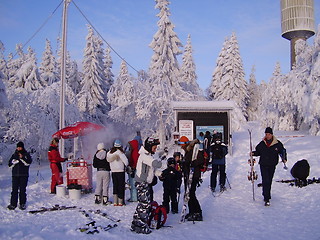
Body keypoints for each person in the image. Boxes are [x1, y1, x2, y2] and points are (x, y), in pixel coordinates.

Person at [131, 137, 162, 234]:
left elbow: (152, 169)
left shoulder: (148, 155)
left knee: (142, 204)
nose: (156, 148)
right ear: (149, 146)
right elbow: (156, 164)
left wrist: (161, 174)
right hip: (142, 183)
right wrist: (163, 158)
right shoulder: (144, 156)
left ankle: (136, 224)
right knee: (145, 205)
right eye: (154, 147)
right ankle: (141, 226)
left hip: (145, 183)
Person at [251, 127, 287, 206]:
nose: (267, 136)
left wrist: (284, 158)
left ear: (272, 134)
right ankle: (266, 197)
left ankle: (267, 194)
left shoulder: (277, 143)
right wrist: (253, 153)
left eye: (269, 134)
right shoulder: (262, 143)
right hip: (263, 164)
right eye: (266, 134)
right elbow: (258, 152)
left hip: (272, 164)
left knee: (269, 180)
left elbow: (282, 151)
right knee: (265, 180)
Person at [178, 136, 205, 221]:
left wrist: (193, 163)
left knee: (191, 194)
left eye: (182, 144)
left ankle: (197, 212)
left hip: (194, 175)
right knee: (188, 194)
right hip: (188, 175)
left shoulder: (193, 150)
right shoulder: (187, 151)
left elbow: (200, 160)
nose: (181, 146)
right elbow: (187, 162)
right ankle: (192, 211)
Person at [7, 141, 32, 210]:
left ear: (22, 147)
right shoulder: (14, 155)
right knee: (14, 190)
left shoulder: (26, 154)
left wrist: (22, 158)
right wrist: (14, 162)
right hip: (15, 175)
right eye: (18, 147)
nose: (19, 148)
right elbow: (9, 164)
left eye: (20, 147)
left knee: (22, 190)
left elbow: (28, 163)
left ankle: (22, 203)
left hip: (23, 175)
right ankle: (13, 204)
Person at [107, 139, 129, 206]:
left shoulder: (109, 153)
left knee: (115, 185)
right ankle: (120, 201)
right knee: (121, 186)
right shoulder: (120, 152)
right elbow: (126, 161)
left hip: (113, 171)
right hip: (120, 171)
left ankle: (115, 201)